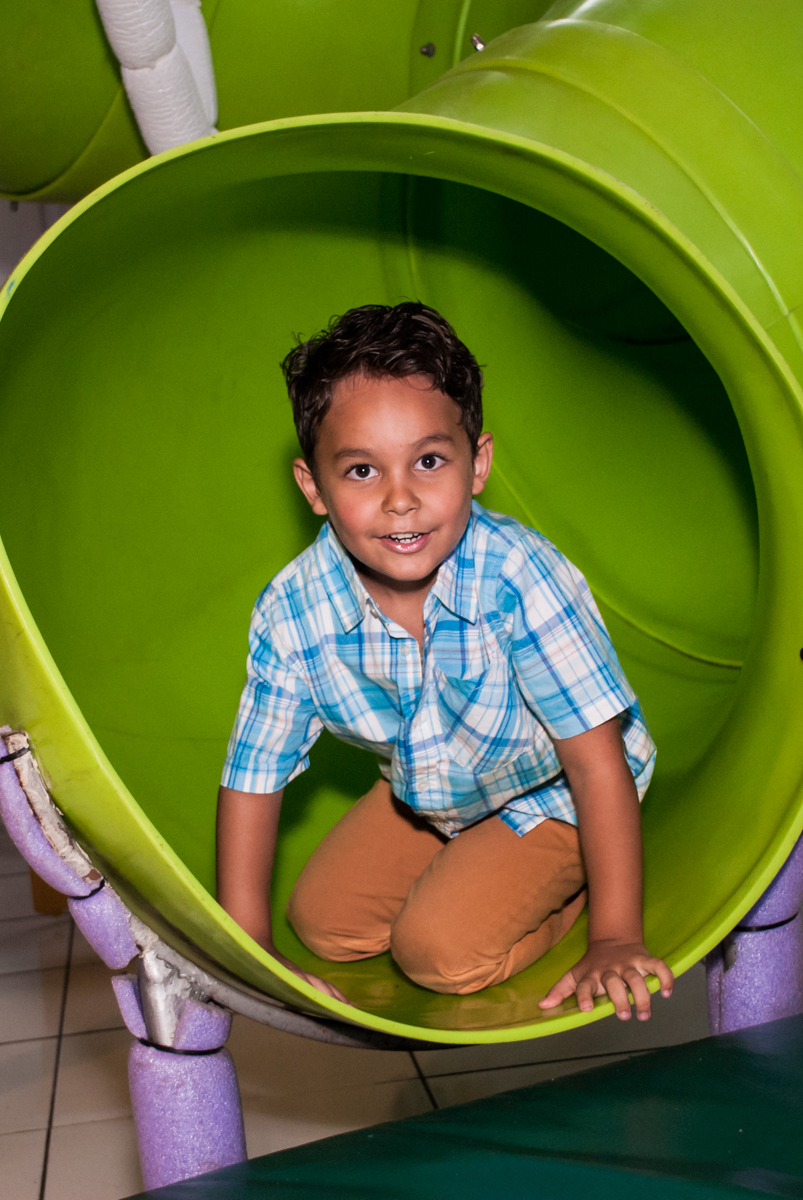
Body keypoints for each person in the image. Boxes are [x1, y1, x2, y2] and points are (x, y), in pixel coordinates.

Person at [216, 302, 674, 1019]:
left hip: (552, 789)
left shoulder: (519, 576)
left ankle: (577, 894)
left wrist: (616, 936)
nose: (401, 500)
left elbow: (594, 760)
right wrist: (248, 947)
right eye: (362, 471)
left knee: (437, 954)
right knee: (323, 927)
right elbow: (253, 775)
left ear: (477, 463)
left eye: (428, 461)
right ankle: (470, 865)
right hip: (437, 789)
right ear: (313, 488)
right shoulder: (293, 610)